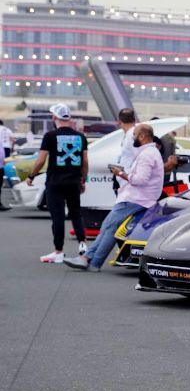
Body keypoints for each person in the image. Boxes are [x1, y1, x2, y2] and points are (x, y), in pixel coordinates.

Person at [67, 124, 164, 272]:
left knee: (108, 227)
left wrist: (120, 173)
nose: (133, 138)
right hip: (140, 198)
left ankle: (89, 259)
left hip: (135, 198)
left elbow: (140, 180)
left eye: (135, 135)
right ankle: (91, 261)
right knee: (109, 228)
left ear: (142, 136)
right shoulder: (151, 152)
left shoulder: (146, 155)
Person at [28, 104, 87, 262]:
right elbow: (85, 161)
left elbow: (41, 161)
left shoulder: (50, 136)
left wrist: (31, 176)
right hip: (74, 181)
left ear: (54, 117)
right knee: (76, 214)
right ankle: (83, 246)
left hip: (55, 182)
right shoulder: (80, 137)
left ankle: (58, 251)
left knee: (58, 217)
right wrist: (83, 180)